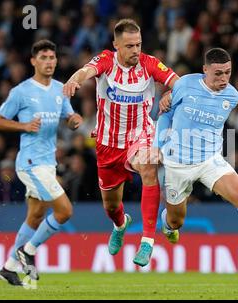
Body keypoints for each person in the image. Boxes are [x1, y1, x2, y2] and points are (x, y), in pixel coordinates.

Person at [63, 19, 179, 267]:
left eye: (138, 44)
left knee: (149, 168)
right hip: (107, 145)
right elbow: (86, 71)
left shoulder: (149, 64)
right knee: (111, 206)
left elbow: (178, 83)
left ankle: (147, 241)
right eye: (129, 46)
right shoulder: (105, 60)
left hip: (141, 136)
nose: (135, 50)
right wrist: (75, 79)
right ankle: (120, 224)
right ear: (116, 45)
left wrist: (171, 93)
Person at [155, 48, 238, 267]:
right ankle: (167, 225)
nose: (224, 78)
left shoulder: (232, 96)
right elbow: (166, 113)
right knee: (176, 221)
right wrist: (159, 145)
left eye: (227, 72)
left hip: (210, 160)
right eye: (218, 73)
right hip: (178, 163)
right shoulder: (185, 85)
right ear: (204, 70)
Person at [0, 40, 83, 285]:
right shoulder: (21, 91)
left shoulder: (60, 89)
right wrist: (23, 125)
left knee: (35, 216)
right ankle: (28, 251)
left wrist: (74, 119)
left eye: (52, 57)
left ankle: (9, 267)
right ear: (33, 61)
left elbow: (68, 116)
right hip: (30, 163)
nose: (49, 62)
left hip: (47, 162)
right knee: (64, 210)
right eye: (43, 57)